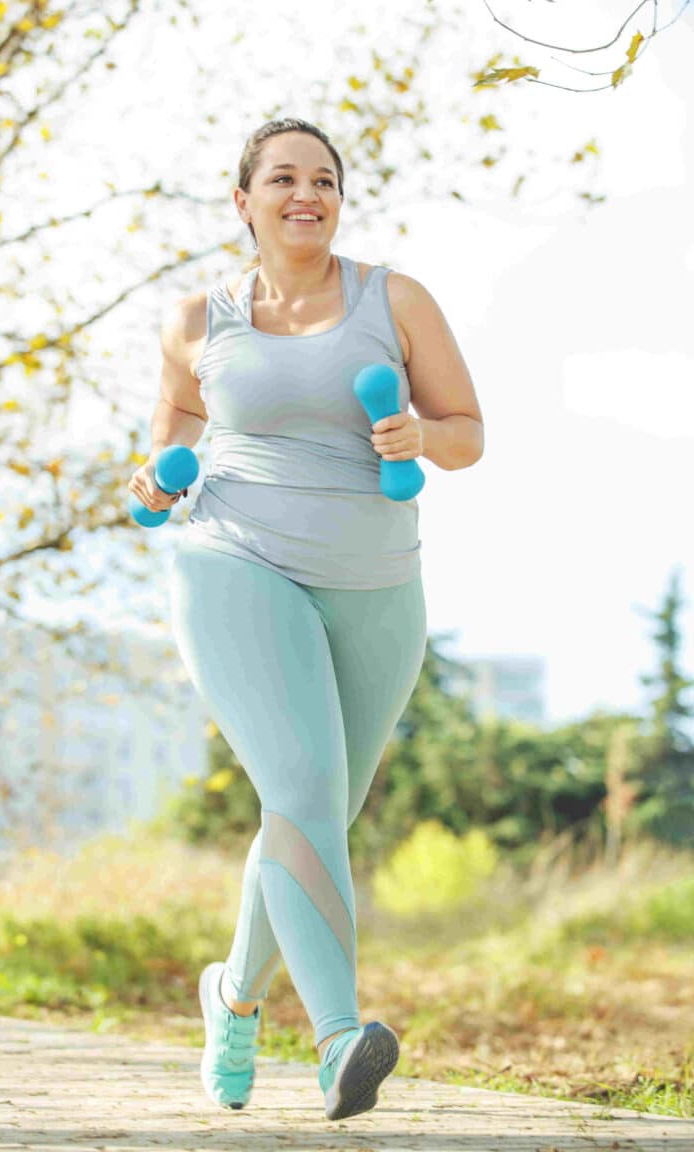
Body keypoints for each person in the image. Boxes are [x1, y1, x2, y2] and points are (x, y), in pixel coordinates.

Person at [127, 117, 483, 1121]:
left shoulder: (395, 301)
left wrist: (420, 434)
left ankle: (233, 997)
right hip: (236, 560)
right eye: (283, 178)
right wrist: (153, 480)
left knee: (314, 812)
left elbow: (468, 434)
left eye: (323, 180)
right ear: (243, 199)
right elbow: (173, 433)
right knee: (299, 786)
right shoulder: (198, 319)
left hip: (375, 580)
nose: (306, 194)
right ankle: (337, 1042)